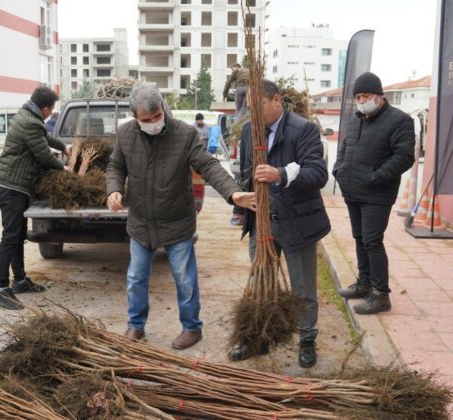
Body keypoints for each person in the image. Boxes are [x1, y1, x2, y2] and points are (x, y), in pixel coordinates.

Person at [106, 83, 256, 350]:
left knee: (185, 279)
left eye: (156, 117)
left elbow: (208, 164)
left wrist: (233, 193)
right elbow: (116, 165)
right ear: (135, 117)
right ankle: (136, 325)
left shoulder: (184, 135)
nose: (153, 123)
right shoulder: (126, 134)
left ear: (163, 109)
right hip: (141, 222)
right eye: (146, 120)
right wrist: (114, 190)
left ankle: (191, 328)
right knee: (135, 278)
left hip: (177, 221)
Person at [228, 79, 330, 368]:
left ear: (277, 100)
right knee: (263, 283)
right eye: (249, 109)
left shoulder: (304, 129)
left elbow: (317, 173)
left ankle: (307, 339)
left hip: (297, 222)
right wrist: (241, 202)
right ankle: (259, 338)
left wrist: (281, 174)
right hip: (262, 223)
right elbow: (246, 173)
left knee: (303, 287)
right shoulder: (249, 131)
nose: (253, 115)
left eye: (257, 106)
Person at [334, 72, 415, 315]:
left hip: (376, 194)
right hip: (353, 191)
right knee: (359, 238)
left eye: (365, 95)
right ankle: (364, 282)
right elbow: (345, 147)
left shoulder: (399, 120)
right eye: (358, 97)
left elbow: (404, 157)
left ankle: (381, 294)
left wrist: (375, 177)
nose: (361, 100)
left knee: (372, 241)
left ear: (379, 95)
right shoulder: (356, 119)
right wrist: (339, 169)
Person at [0, 87, 67, 310]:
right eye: (52, 110)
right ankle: (1, 288)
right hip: (11, 187)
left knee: (18, 235)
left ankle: (20, 280)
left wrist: (63, 147)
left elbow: (45, 138)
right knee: (10, 237)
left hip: (15, 187)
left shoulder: (28, 116)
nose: (51, 114)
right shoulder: (30, 122)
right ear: (45, 109)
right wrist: (65, 168)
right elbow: (43, 154)